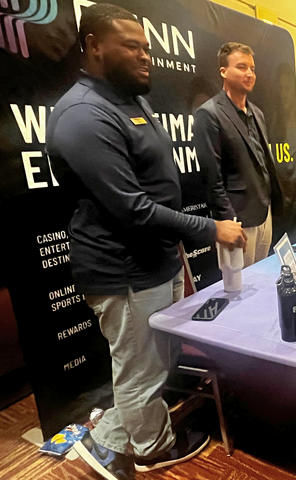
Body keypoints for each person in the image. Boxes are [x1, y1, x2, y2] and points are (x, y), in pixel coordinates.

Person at [46, 5, 246, 480]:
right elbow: (131, 208)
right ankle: (151, 448)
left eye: (147, 48)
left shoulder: (131, 100)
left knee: (155, 362)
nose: (145, 57)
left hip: (157, 260)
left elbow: (154, 188)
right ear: (94, 45)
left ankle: (114, 437)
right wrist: (208, 229)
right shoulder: (81, 115)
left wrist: (176, 250)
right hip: (123, 272)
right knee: (141, 371)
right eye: (131, 47)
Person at [194, 42, 282, 268]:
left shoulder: (257, 113)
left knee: (260, 280)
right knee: (237, 291)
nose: (249, 73)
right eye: (242, 67)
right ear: (223, 71)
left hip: (264, 214)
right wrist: (229, 222)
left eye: (252, 68)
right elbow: (212, 179)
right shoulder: (209, 113)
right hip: (237, 220)